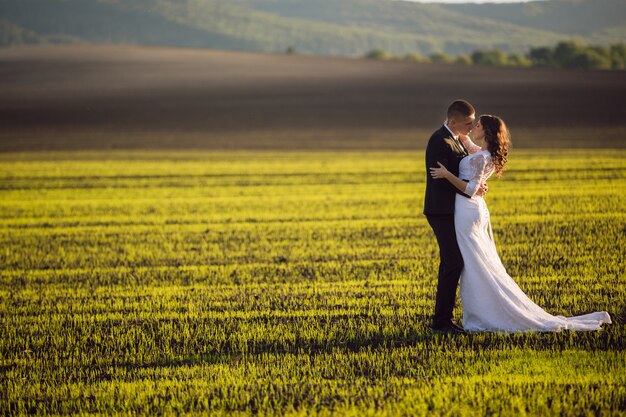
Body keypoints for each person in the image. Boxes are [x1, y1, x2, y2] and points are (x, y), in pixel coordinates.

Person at [430, 114, 611, 332]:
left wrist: (447, 174)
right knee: (477, 261)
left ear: (486, 131)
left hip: (467, 211)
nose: (472, 128)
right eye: (470, 124)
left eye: (476, 125)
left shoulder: (481, 157)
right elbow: (466, 144)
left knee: (475, 262)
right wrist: (453, 123)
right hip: (471, 210)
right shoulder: (482, 153)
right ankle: (477, 310)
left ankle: (483, 313)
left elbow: (469, 189)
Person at [423, 99, 486, 334]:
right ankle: (441, 322)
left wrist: (476, 186)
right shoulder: (439, 141)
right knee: (454, 262)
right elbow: (439, 179)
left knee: (451, 262)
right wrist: (470, 189)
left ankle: (442, 319)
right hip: (441, 211)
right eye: (469, 123)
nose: (472, 126)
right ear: (452, 121)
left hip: (455, 210)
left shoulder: (458, 140)